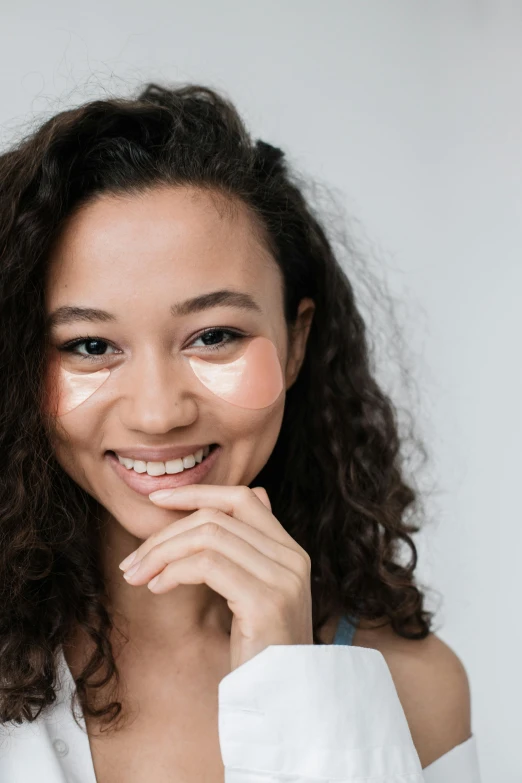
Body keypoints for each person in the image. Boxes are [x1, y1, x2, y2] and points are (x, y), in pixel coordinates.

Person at [0, 82, 481, 781]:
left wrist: (295, 689)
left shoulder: (418, 688)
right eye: (90, 345)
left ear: (295, 342)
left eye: (214, 335)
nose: (158, 413)